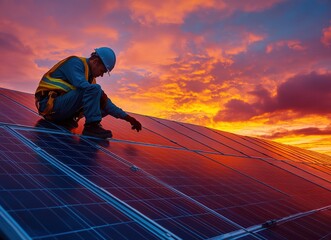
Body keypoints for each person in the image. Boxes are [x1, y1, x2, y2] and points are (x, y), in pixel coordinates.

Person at [35, 47, 142, 139]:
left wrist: (128, 118)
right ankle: (92, 126)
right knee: (95, 92)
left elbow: (106, 103)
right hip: (49, 106)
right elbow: (83, 86)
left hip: (62, 111)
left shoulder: (90, 80)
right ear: (95, 62)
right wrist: (100, 95)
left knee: (102, 104)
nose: (101, 75)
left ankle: (73, 121)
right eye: (102, 71)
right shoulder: (75, 63)